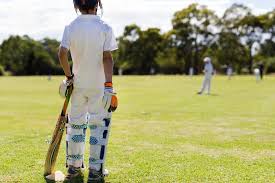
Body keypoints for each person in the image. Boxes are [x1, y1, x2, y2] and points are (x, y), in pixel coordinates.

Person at [58, 0, 118, 182]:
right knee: (98, 127)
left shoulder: (71, 26)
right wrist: (109, 85)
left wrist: (69, 77)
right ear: (97, 4)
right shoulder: (105, 27)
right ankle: (95, 171)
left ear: (76, 6)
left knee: (75, 126)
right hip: (98, 86)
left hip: (78, 86)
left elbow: (62, 53)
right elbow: (107, 58)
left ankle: (73, 169)